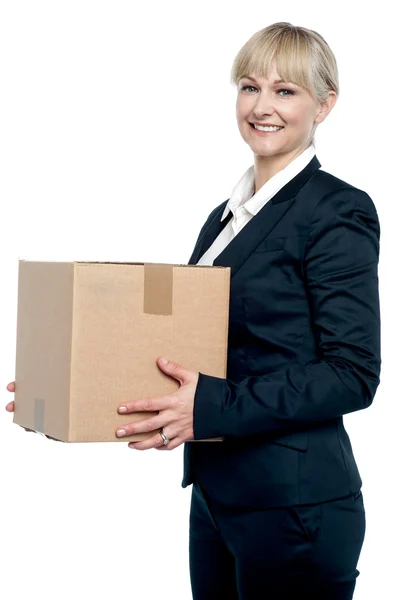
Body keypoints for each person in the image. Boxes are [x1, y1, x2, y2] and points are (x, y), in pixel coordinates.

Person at [6, 21, 380, 600]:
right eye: (249, 87)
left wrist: (207, 407)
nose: (261, 106)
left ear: (325, 105)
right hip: (217, 496)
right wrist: (74, 390)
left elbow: (353, 373)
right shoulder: (224, 218)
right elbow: (203, 351)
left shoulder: (336, 211)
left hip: (294, 507)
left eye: (286, 91)